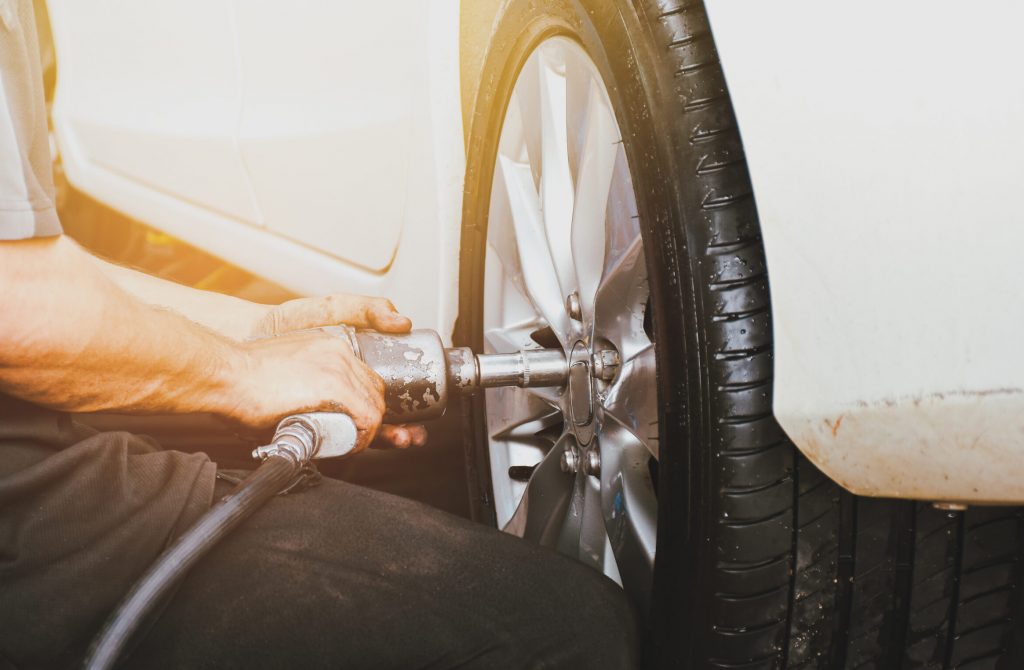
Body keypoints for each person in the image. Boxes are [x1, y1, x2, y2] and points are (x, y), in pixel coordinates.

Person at [0, 2, 639, 668]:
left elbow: (26, 267)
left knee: (417, 456)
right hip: (24, 523)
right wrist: (240, 376)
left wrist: (259, 333)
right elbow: (18, 304)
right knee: (567, 628)